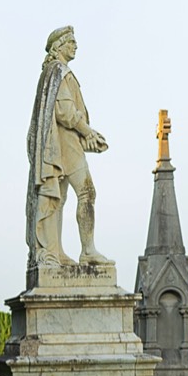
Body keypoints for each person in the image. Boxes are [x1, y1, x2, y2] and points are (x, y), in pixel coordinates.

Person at [26, 25, 109, 267]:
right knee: (86, 192)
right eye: (71, 41)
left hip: (64, 143)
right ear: (59, 46)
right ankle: (85, 251)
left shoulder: (54, 73)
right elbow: (64, 111)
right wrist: (87, 131)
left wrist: (86, 136)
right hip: (65, 143)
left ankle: (55, 250)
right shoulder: (59, 71)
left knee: (59, 198)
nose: (75, 45)